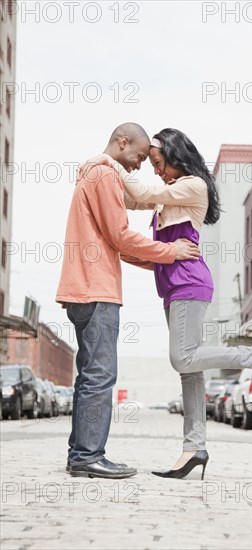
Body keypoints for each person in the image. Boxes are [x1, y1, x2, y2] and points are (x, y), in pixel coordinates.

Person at [81, 128, 252, 481]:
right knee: (189, 372)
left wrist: (106, 160)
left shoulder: (193, 185)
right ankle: (194, 449)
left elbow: (140, 191)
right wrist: (107, 177)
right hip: (171, 286)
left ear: (175, 156)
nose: (155, 170)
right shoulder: (168, 196)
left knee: (183, 357)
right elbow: (130, 200)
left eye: (158, 163)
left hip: (190, 282)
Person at [55, 123, 201, 480]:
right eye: (137, 156)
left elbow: (121, 232)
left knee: (89, 375)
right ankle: (89, 455)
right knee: (101, 376)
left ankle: (80, 453)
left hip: (82, 288)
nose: (138, 165)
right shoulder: (103, 175)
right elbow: (121, 236)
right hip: (96, 289)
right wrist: (170, 251)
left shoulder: (94, 175)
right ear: (122, 142)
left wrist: (162, 259)